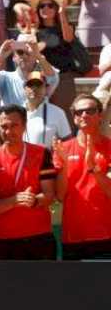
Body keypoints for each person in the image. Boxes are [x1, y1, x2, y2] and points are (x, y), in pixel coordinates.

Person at [0, 105, 58, 260]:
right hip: (3, 239)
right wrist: (14, 201)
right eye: (3, 127)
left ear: (24, 126)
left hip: (38, 237)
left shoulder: (41, 154)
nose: (8, 131)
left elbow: (50, 195)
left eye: (14, 125)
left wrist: (34, 200)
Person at [54, 94, 111, 260]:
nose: (84, 115)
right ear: (74, 118)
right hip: (73, 236)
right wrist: (64, 165)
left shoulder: (109, 148)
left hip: (106, 234)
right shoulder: (62, 149)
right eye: (79, 112)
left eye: (90, 111)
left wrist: (93, 168)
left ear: (100, 115)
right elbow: (60, 195)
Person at [0, 37, 59, 109]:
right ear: (14, 58)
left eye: (28, 52)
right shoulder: (5, 78)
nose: (24, 56)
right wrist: (0, 56)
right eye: (20, 52)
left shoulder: (42, 77)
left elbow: (53, 77)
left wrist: (38, 55)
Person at [21, 71, 72, 149]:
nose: (34, 88)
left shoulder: (58, 113)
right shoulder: (17, 112)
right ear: (25, 89)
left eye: (38, 85)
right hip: (23, 159)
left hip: (46, 160)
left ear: (46, 89)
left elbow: (68, 142)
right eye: (30, 85)